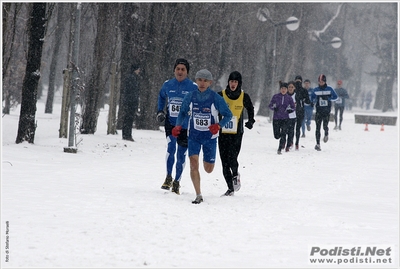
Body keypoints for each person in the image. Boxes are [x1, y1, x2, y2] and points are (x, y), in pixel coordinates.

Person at [172, 69, 232, 204]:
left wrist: (218, 125)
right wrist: (178, 125)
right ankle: (198, 194)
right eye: (200, 80)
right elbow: (182, 112)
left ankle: (208, 163)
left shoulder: (216, 98)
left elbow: (228, 115)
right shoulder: (190, 96)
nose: (202, 83)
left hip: (210, 138)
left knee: (208, 169)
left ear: (210, 82)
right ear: (196, 81)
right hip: (193, 136)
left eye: (205, 80)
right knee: (193, 164)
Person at [156, 58, 198, 194]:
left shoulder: (193, 87)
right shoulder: (168, 84)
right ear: (174, 70)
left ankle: (177, 181)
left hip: (185, 126)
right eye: (178, 69)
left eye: (183, 69)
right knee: (170, 148)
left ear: (187, 72)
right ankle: (168, 177)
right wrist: (160, 111)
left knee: (181, 153)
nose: (180, 72)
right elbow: (161, 96)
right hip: (171, 124)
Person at [217, 71, 255, 196]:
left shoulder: (244, 96)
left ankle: (235, 174)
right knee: (224, 161)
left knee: (232, 158)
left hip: (237, 133)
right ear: (228, 82)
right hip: (223, 132)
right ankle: (230, 188)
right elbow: (211, 107)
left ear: (239, 83)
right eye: (231, 81)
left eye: (235, 82)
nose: (233, 84)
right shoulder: (221, 95)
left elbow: (250, 108)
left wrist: (251, 121)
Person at [310, 74, 338, 151]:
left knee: (325, 125)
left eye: (322, 81)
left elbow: (335, 97)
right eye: (319, 82)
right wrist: (312, 102)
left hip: (326, 111)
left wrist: (328, 98)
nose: (321, 83)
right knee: (317, 128)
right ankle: (318, 144)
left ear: (325, 81)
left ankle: (326, 133)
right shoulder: (316, 90)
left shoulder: (329, 89)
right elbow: (312, 98)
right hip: (318, 111)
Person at [268, 81, 295, 155]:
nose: (283, 90)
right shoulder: (276, 96)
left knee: (284, 133)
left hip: (285, 118)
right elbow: (270, 105)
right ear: (280, 89)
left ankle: (280, 148)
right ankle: (279, 137)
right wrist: (274, 107)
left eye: (285, 89)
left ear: (287, 90)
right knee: (276, 135)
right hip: (276, 118)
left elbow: (293, 107)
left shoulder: (289, 98)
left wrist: (290, 110)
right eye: (282, 88)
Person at [122, 63, 141, 142]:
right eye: (138, 69)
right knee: (129, 118)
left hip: (128, 101)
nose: (139, 71)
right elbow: (133, 91)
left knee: (127, 118)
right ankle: (127, 135)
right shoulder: (133, 78)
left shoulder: (130, 77)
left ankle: (126, 134)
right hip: (131, 102)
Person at [293, 75, 311, 149]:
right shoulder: (292, 90)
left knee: (297, 128)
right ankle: (291, 141)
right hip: (292, 112)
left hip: (300, 111)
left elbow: (308, 101)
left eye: (299, 81)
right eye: (297, 81)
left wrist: (303, 100)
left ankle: (296, 142)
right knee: (291, 128)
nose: (298, 82)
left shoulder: (304, 90)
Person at [286, 81, 297, 152]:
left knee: (291, 130)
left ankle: (290, 143)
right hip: (284, 115)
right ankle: (284, 141)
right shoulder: (284, 95)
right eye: (289, 87)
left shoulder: (296, 95)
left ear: (294, 88)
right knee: (285, 130)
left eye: (292, 87)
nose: (290, 88)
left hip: (293, 115)